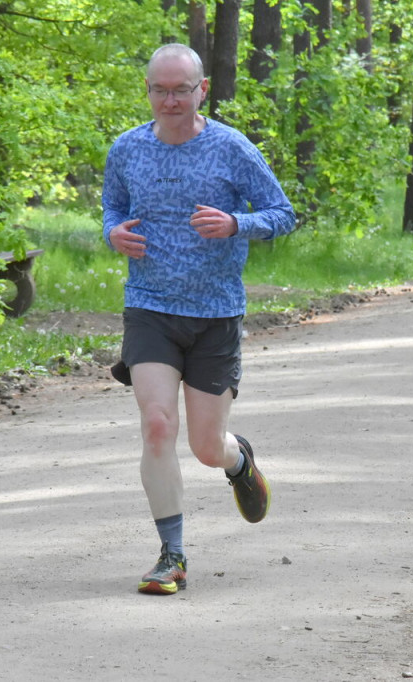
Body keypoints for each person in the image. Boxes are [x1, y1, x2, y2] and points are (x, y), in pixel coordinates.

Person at [102, 43, 296, 595]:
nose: (170, 100)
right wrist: (112, 233)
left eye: (180, 90)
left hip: (215, 314)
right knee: (158, 424)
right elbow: (112, 208)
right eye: (159, 90)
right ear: (148, 92)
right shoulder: (127, 149)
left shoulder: (232, 149)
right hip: (150, 308)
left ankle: (238, 462)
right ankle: (172, 555)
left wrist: (236, 223)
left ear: (201, 90)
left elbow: (284, 214)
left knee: (206, 447)